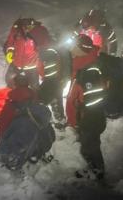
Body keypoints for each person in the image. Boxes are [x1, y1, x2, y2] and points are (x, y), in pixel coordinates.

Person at [66, 34, 106, 180]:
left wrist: (82, 115)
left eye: (74, 46)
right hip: (85, 117)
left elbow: (94, 99)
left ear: (82, 50)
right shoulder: (80, 66)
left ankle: (99, 173)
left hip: (90, 119)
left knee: (91, 147)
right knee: (87, 147)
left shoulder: (89, 71)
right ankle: (93, 169)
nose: (70, 48)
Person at [0, 74, 55, 170]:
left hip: (11, 145)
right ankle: (32, 152)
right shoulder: (35, 102)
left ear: (14, 85)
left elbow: (1, 128)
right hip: (33, 144)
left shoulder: (11, 104)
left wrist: (2, 142)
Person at [4, 18, 51, 90]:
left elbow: (45, 44)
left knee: (34, 87)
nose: (27, 28)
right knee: (9, 80)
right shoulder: (16, 30)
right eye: (25, 26)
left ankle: (34, 98)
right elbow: (10, 41)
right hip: (16, 64)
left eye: (29, 26)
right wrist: (10, 51)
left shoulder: (39, 31)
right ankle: (15, 95)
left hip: (31, 67)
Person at [37, 46, 69, 129]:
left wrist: (44, 76)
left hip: (48, 80)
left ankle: (47, 117)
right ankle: (60, 119)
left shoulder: (42, 54)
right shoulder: (57, 52)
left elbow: (39, 68)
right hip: (58, 79)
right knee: (58, 98)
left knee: (43, 98)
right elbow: (62, 65)